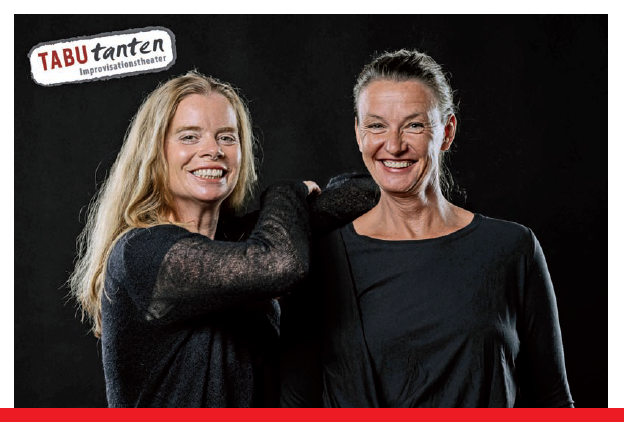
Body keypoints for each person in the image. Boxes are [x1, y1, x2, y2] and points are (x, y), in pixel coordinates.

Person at [280, 49, 574, 408]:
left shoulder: (513, 248)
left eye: (414, 125)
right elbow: (295, 409)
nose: (394, 146)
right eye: (376, 126)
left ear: (447, 132)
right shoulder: (320, 260)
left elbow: (553, 402)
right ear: (358, 133)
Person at [68, 71, 375, 407]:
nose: (213, 150)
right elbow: (281, 264)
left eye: (227, 137)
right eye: (189, 137)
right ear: (154, 152)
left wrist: (304, 206)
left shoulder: (240, 243)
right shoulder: (141, 252)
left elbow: (365, 193)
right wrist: (288, 192)